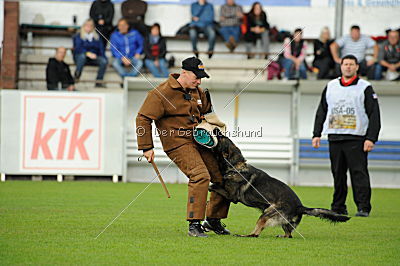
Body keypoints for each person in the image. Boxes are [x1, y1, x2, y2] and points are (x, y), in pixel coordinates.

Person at [136, 57, 231, 237]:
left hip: (201, 141)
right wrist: (146, 147)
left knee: (222, 176)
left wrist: (216, 131)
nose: (199, 81)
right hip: (177, 143)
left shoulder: (199, 92)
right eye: (197, 77)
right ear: (184, 73)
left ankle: (213, 220)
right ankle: (194, 225)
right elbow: (143, 118)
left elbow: (209, 115)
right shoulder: (160, 93)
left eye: (201, 78)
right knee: (200, 175)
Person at [312, 54, 381, 217]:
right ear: (341, 66)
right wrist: (316, 134)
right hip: (334, 137)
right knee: (338, 174)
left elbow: (374, 115)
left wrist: (371, 138)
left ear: (357, 67)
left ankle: (363, 207)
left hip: (357, 138)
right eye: (345, 64)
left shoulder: (365, 87)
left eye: (351, 64)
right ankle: (338, 207)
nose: (348, 67)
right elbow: (321, 111)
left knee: (359, 174)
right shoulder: (331, 86)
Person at [73, 19, 108, 88]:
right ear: (83, 26)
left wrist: (103, 57)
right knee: (82, 57)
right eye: (87, 25)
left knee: (103, 61)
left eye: (91, 26)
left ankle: (99, 81)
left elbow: (101, 49)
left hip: (94, 57)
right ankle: (77, 75)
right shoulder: (78, 36)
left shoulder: (97, 37)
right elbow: (78, 48)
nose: (88, 27)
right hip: (81, 56)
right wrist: (87, 53)